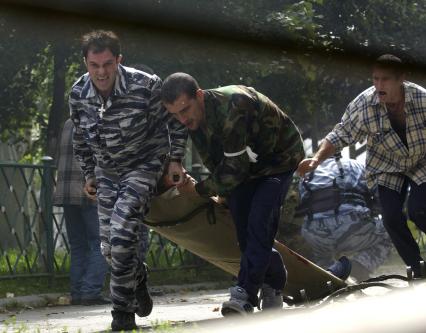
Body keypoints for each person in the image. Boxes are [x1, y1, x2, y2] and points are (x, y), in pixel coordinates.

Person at [69, 30, 187, 331]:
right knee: (110, 249)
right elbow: (80, 138)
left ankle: (122, 314)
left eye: (108, 64)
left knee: (122, 237)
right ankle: (139, 278)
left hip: (144, 165)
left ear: (118, 60)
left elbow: (175, 120)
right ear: (86, 63)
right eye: (94, 65)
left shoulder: (145, 85)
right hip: (108, 172)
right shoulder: (78, 94)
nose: (101, 72)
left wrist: (175, 160)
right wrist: (89, 173)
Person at [161, 72, 305, 315]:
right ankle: (274, 278)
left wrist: (199, 190)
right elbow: (216, 162)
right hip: (245, 169)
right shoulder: (193, 120)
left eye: (185, 110)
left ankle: (244, 295)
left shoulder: (234, 104)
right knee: (244, 235)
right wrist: (222, 194)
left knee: (259, 223)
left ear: (199, 95)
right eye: (175, 114)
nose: (182, 119)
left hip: (278, 162)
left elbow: (233, 171)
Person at [297, 54, 426, 278]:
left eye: (385, 80)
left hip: (422, 160)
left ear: (401, 79)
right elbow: (339, 134)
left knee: (418, 210)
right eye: (375, 79)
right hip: (386, 166)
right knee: (391, 217)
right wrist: (316, 160)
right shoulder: (364, 104)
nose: (378, 85)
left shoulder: (422, 100)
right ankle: (419, 269)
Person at [296, 154, 393, 281]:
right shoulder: (356, 165)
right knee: (391, 232)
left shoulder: (308, 173)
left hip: (314, 232)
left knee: (322, 257)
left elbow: (304, 201)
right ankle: (359, 267)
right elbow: (381, 200)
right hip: (351, 225)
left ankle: (329, 277)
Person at [54, 119, 109, 305]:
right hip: (90, 191)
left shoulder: (68, 123)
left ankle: (77, 293)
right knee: (101, 242)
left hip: (66, 191)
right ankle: (90, 291)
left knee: (78, 245)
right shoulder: (97, 120)